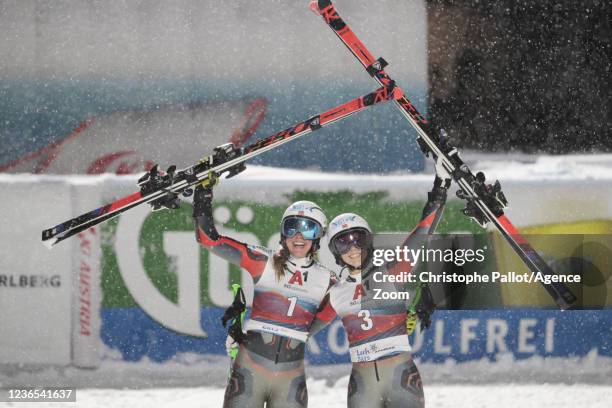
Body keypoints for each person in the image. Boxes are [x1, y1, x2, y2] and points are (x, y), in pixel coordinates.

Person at [309, 165, 450, 408]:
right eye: (343, 243)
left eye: (358, 239)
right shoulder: (337, 293)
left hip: (401, 377)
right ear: (335, 252)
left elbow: (423, 232)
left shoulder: (392, 272)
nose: (353, 249)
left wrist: (440, 188)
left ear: (369, 242)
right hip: (363, 385)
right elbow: (300, 331)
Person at [191, 173, 335, 408]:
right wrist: (203, 196)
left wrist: (302, 333)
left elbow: (343, 306)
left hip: (290, 381)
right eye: (292, 227)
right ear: (282, 233)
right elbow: (209, 240)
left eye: (308, 229)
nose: (298, 236)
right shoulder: (263, 261)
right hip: (249, 374)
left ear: (319, 236)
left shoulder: (327, 280)